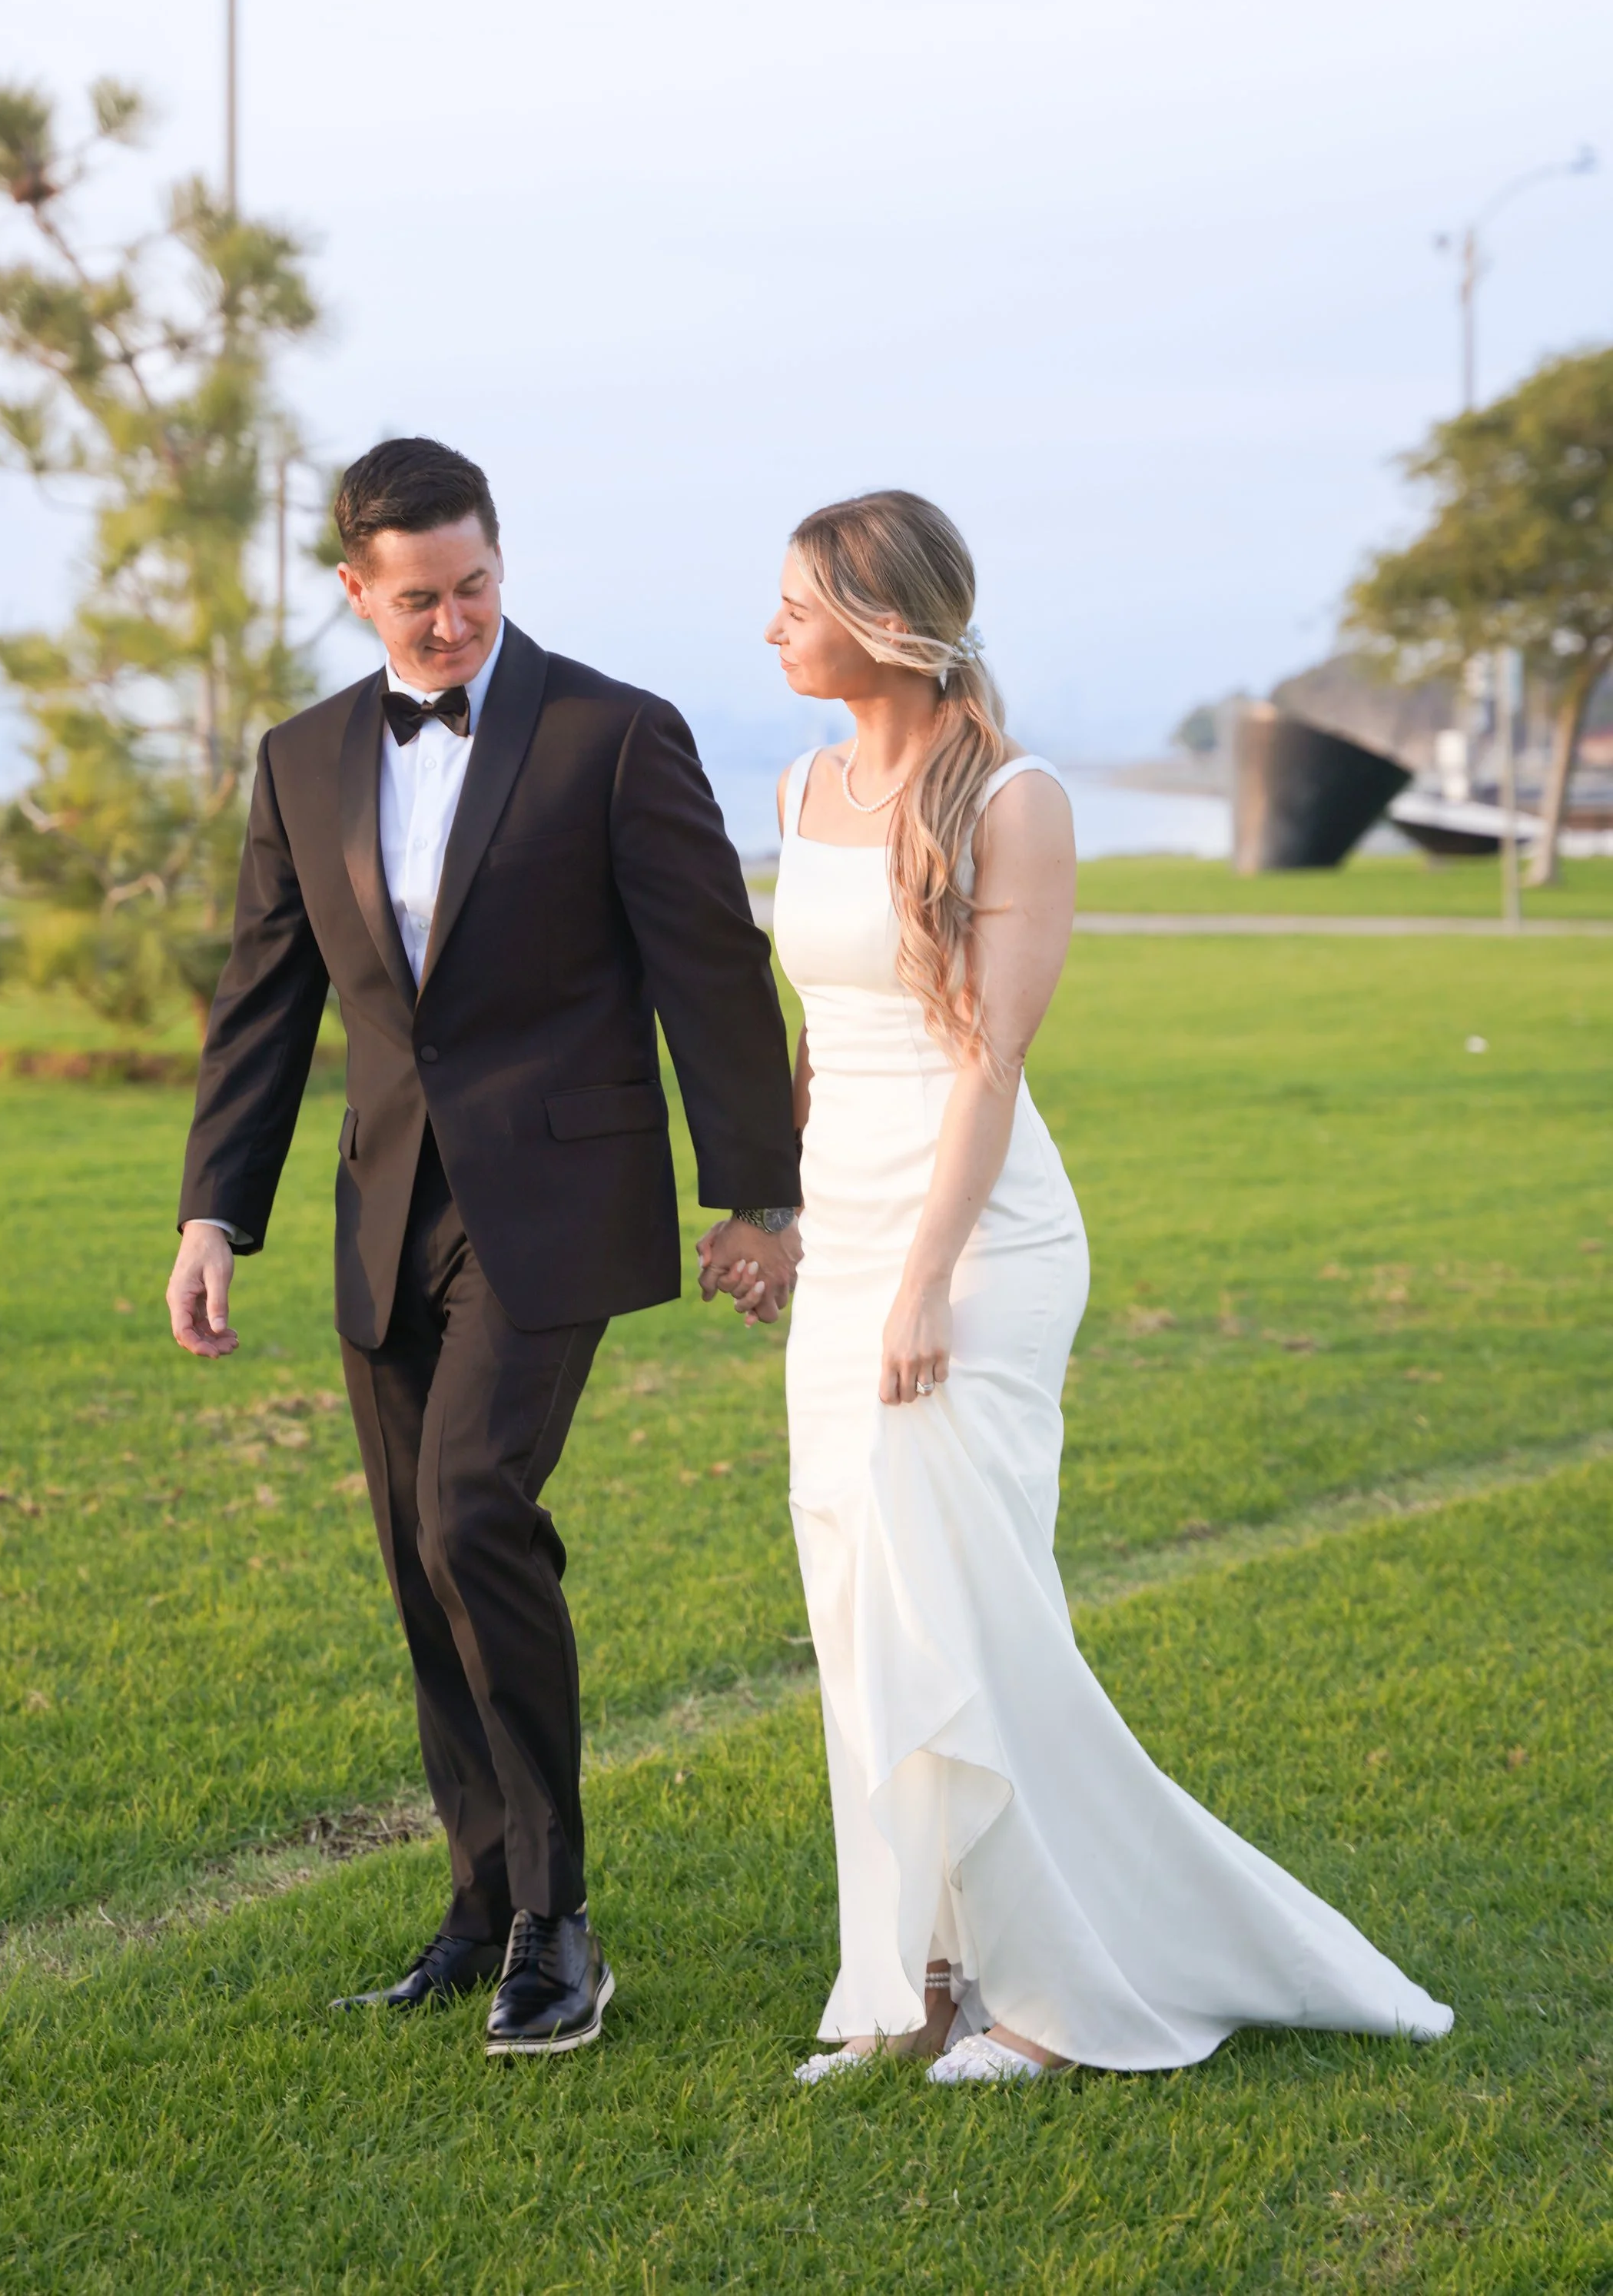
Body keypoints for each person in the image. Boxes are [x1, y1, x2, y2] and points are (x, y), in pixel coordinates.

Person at [700, 489, 1453, 2087]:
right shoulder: (801, 781)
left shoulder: (1015, 800)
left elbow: (986, 1061)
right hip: (842, 1246)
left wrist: (916, 1285)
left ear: (882, 617)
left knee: (967, 1615)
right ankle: (910, 1978)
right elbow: (812, 1032)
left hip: (974, 1249)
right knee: (859, 1614)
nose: (769, 627)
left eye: (794, 603)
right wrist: (785, 1221)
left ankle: (1053, 1999)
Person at [167, 437, 801, 2057]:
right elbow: (264, 1005)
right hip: (386, 1212)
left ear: (498, 566)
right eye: (416, 600)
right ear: (353, 592)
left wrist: (758, 1195)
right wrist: (213, 1213)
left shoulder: (611, 732)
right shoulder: (301, 758)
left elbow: (709, 971)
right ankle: (473, 1904)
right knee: (414, 1554)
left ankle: (557, 1922)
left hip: (560, 1200)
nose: (448, 623)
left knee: (470, 1514)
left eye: (472, 589)